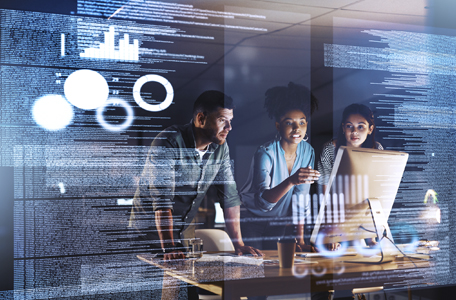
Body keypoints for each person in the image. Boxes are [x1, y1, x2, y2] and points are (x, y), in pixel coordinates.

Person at [129, 90, 262, 262]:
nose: (229, 128)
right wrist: (169, 246)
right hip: (149, 238)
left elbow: (229, 197)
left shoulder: (221, 148)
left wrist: (239, 244)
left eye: (230, 121)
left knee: (189, 288)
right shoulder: (169, 141)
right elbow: (163, 202)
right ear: (201, 119)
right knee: (152, 289)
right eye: (222, 120)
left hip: (184, 238)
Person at [240, 82, 320, 252]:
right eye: (289, 122)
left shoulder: (308, 151)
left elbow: (301, 200)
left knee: (274, 268)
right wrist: (291, 180)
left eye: (302, 122)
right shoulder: (265, 153)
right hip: (252, 219)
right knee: (255, 268)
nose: (297, 128)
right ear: (278, 126)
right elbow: (263, 203)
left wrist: (301, 241)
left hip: (278, 221)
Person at [318, 103, 383, 194]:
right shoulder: (330, 149)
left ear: (370, 129)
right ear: (343, 128)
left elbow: (380, 182)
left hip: (368, 200)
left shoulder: (376, 148)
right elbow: (324, 185)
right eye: (349, 126)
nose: (354, 132)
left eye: (360, 127)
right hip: (339, 201)